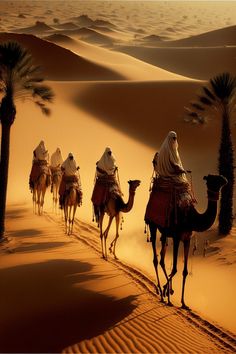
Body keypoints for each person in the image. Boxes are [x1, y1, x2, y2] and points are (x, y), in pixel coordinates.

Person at [145, 131, 195, 228]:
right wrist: (182, 171)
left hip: (174, 175)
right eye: (173, 138)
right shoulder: (167, 150)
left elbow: (176, 164)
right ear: (169, 139)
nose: (174, 140)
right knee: (184, 187)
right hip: (169, 176)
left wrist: (182, 170)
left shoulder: (173, 150)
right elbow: (174, 165)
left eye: (175, 138)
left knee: (186, 191)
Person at [91, 147, 122, 217]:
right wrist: (105, 172)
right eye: (109, 152)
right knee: (98, 193)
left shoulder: (112, 160)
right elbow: (99, 169)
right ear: (106, 153)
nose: (110, 153)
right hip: (103, 180)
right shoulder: (102, 162)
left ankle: (120, 206)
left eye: (110, 152)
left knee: (118, 193)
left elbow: (112, 168)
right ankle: (98, 206)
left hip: (111, 180)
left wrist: (114, 169)